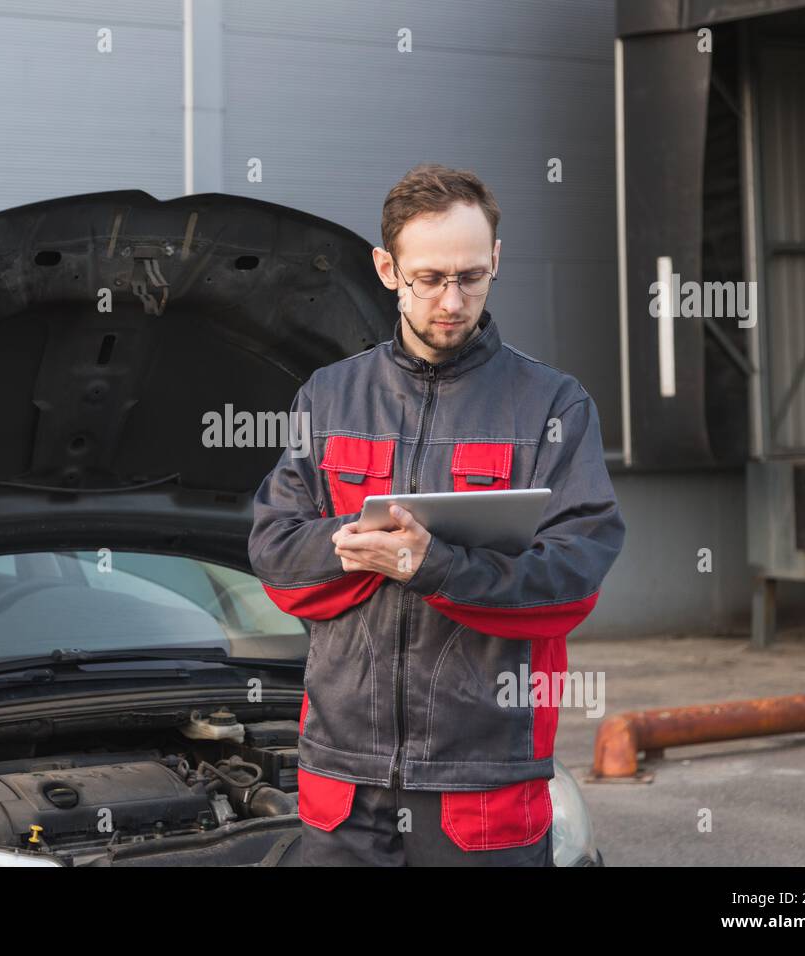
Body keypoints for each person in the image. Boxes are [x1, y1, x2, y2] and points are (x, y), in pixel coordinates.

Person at [247, 162, 626, 866]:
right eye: (429, 278)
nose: (451, 300)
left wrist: (437, 567)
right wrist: (350, 543)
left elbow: (576, 574)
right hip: (343, 780)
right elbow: (272, 549)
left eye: (471, 276)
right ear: (387, 268)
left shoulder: (551, 406)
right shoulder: (327, 398)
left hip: (483, 783)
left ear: (496, 262)